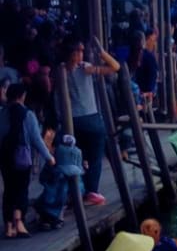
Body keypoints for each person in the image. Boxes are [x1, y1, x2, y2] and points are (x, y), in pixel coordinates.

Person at [65, 38, 120, 205]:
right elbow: (115, 67)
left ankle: (77, 190)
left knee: (77, 157)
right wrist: (102, 52)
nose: (81, 54)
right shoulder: (86, 68)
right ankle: (92, 190)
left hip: (71, 120)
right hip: (90, 117)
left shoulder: (61, 70)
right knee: (95, 156)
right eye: (79, 51)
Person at [0, 83, 54, 237]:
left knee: (9, 189)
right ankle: (19, 222)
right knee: (22, 188)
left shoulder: (1, 114)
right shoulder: (28, 114)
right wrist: (49, 157)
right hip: (22, 157)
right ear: (22, 96)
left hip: (5, 157)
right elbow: (36, 140)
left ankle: (9, 227)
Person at [33, 132, 82, 231]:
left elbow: (42, 178)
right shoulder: (76, 153)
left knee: (52, 199)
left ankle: (49, 219)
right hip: (57, 196)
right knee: (59, 198)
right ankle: (55, 219)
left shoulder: (55, 159)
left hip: (51, 196)